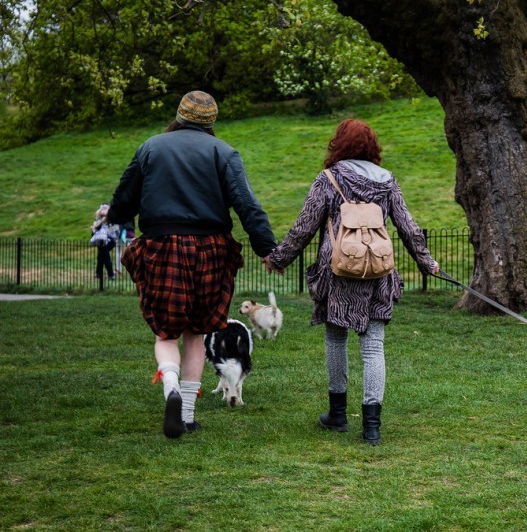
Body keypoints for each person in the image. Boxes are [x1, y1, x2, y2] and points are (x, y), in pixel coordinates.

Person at [99, 90, 277, 439]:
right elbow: (247, 205)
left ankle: (171, 389)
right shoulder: (224, 152)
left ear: (178, 116)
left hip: (162, 246)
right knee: (196, 332)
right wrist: (267, 248)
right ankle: (187, 416)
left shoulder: (151, 147)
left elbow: (125, 196)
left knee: (165, 332)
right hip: (211, 249)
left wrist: (115, 216)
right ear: (212, 121)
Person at [267, 119, 439, 446]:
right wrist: (427, 262)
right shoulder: (387, 181)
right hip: (378, 271)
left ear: (339, 145)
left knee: (336, 339)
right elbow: (408, 227)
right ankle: (372, 427)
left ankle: (338, 415)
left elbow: (304, 226)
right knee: (373, 346)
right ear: (372, 146)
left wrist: (279, 258)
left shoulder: (329, 179)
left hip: (339, 270)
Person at [91, 203, 118, 282]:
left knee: (105, 256)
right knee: (101, 255)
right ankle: (99, 273)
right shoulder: (99, 220)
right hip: (100, 240)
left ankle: (110, 275)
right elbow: (95, 230)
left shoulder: (112, 219)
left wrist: (105, 232)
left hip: (109, 240)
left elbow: (115, 230)